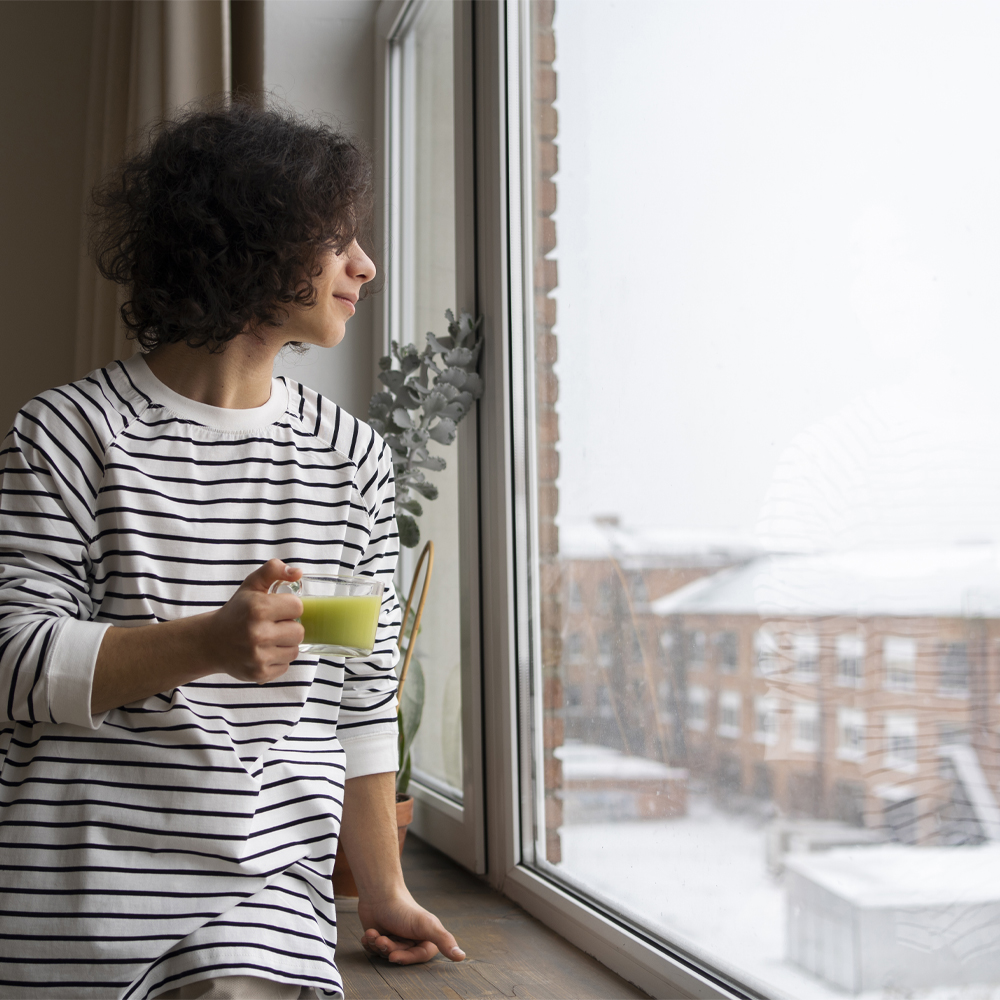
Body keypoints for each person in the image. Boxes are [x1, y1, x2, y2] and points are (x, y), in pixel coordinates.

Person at [0, 103, 462, 999]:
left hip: (265, 902)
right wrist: (208, 642)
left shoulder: (353, 460)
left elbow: (358, 693)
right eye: (336, 239)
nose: (364, 266)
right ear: (253, 243)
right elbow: (14, 660)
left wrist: (384, 891)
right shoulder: (68, 434)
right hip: (75, 903)